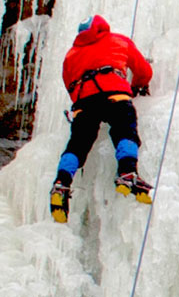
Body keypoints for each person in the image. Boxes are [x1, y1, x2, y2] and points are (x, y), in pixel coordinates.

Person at [52, 14, 154, 222]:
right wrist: (135, 87)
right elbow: (143, 72)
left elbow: (69, 84)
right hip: (114, 95)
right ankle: (127, 171)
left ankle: (62, 182)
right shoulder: (118, 40)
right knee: (125, 129)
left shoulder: (71, 55)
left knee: (78, 144)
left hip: (84, 103)